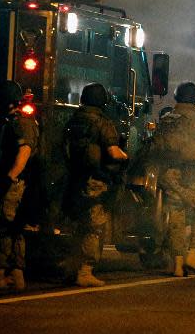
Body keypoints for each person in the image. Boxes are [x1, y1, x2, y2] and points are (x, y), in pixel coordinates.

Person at [0, 81, 38, 290]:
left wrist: (9, 178)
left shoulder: (19, 123)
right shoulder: (13, 121)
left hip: (14, 183)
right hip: (16, 182)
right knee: (14, 228)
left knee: (3, 225)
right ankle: (16, 274)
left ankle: (0, 272)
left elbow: (24, 151)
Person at [151, 82, 195, 277]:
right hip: (194, 175)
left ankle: (177, 264)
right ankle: (194, 255)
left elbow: (156, 147)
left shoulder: (167, 119)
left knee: (176, 220)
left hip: (170, 175)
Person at [64, 82, 128, 287]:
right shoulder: (103, 123)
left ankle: (72, 266)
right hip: (95, 180)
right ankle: (85, 270)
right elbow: (112, 152)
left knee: (79, 224)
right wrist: (126, 157)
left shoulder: (74, 120)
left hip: (75, 177)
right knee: (94, 225)